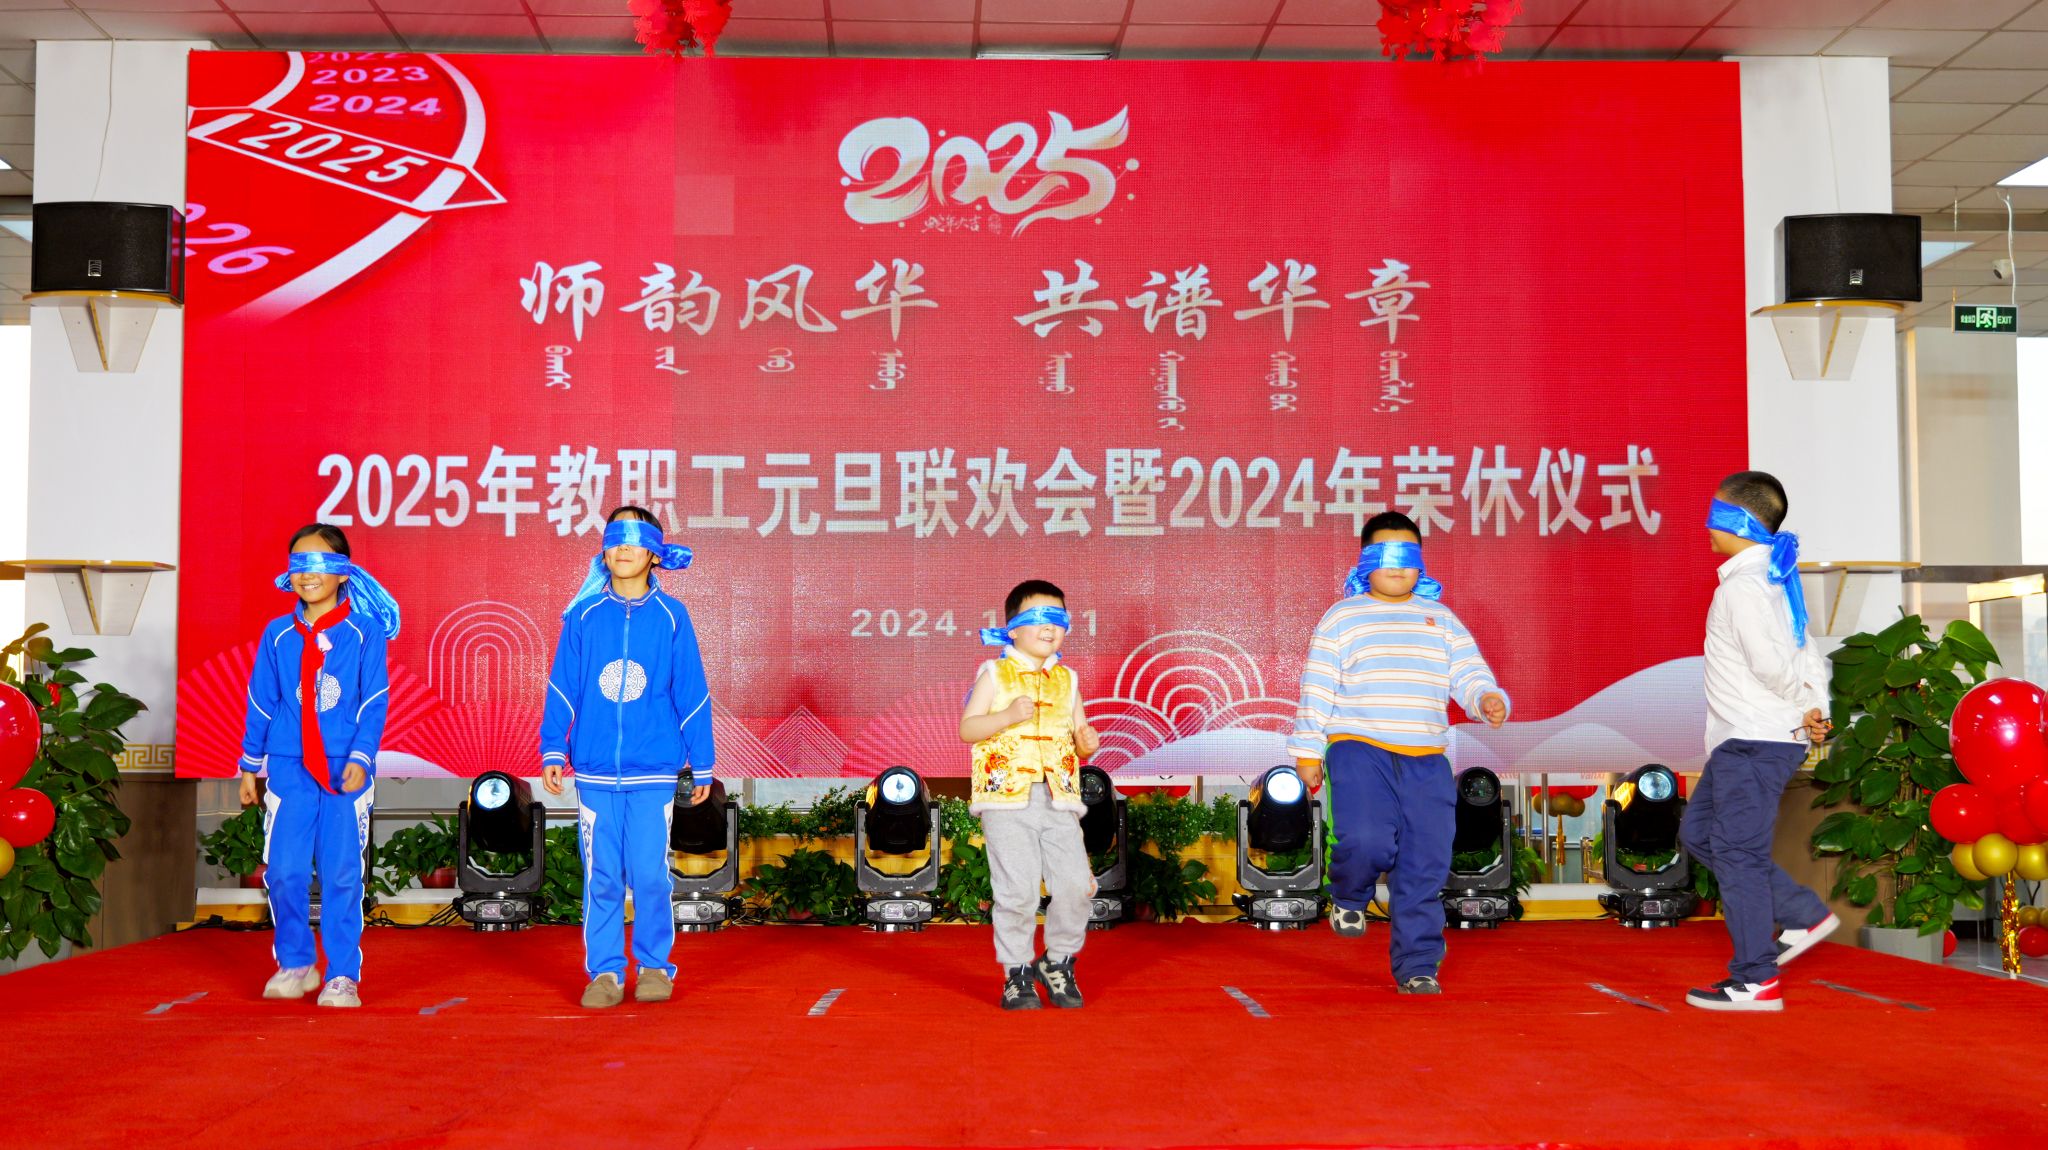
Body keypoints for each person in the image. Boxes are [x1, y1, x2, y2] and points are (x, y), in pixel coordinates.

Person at [1287, 511, 1509, 994]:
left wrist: (1486, 698)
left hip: (1427, 757)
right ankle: (1349, 894)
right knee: (1366, 840)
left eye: (1408, 556)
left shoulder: (1440, 619)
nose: (1397, 566)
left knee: (1425, 861)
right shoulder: (1342, 617)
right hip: (1358, 748)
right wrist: (1307, 751)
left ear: (1421, 563)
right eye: (1385, 555)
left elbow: (1469, 673)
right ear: (1364, 561)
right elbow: (1317, 687)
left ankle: (1418, 963)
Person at [540, 506, 714, 1009]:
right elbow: (562, 686)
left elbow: (691, 691)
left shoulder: (672, 617)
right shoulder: (583, 616)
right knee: (602, 877)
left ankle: (655, 965)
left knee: (650, 874)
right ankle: (606, 973)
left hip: (654, 772)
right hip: (595, 773)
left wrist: (702, 760)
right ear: (604, 549)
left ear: (655, 554)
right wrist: (554, 747)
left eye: (635, 541)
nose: (623, 549)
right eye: (615, 539)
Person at [1682, 471, 1837, 1013]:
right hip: (1747, 739)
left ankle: (1756, 980)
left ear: (1740, 522)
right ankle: (1801, 913)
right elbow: (1807, 650)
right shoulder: (1773, 579)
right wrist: (1815, 704)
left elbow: (1772, 663)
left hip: (1754, 739)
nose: (1707, 525)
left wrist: (1804, 703)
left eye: (1715, 513)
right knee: (1699, 833)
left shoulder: (1745, 588)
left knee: (1738, 854)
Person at [237, 523, 399, 1008]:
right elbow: (262, 700)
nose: (307, 574)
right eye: (298, 564)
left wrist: (361, 756)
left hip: (345, 770)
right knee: (284, 872)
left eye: (319, 563)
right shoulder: (278, 634)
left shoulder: (364, 632)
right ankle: (296, 962)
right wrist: (250, 765)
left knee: (341, 873)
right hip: (289, 768)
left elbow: (374, 699)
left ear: (343, 572)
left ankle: (342, 974)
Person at [959, 579, 1101, 1010]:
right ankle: (1017, 971)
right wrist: (1005, 715)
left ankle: (1057, 961)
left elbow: (1078, 736)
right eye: (1039, 617)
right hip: (1006, 799)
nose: (1050, 627)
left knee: (1076, 886)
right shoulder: (994, 673)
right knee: (1017, 892)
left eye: (1059, 619)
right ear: (1013, 628)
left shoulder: (1068, 680)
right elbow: (968, 728)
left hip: (1059, 798)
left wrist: (1086, 744)